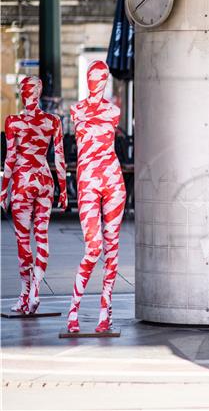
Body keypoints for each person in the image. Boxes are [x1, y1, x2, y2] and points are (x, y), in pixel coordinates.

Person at [66, 60, 127, 334]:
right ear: (88, 78)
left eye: (103, 77)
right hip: (88, 179)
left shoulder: (113, 110)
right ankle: (74, 310)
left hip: (112, 178)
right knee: (93, 248)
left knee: (112, 248)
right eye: (94, 76)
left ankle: (106, 311)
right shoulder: (75, 109)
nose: (98, 81)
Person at [1, 76, 67, 314]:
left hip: (23, 180)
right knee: (42, 235)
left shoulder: (14, 122)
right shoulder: (52, 121)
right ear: (38, 93)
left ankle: (24, 294)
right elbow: (59, 158)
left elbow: (10, 160)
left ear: (22, 93)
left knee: (22, 240)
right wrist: (63, 189)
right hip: (45, 179)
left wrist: (2, 191)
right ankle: (37, 290)